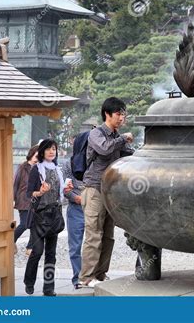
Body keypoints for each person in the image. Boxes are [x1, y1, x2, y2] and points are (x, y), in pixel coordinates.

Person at [79, 97, 134, 288]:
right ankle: (86, 278)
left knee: (108, 235)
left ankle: (100, 275)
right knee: (94, 234)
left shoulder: (117, 136)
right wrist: (123, 138)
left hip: (110, 191)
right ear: (107, 114)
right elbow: (104, 150)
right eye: (118, 114)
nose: (122, 118)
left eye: (123, 114)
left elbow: (128, 154)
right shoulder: (96, 134)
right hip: (94, 189)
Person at [24, 139, 72, 296]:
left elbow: (59, 193)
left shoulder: (58, 170)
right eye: (49, 149)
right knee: (37, 252)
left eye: (54, 149)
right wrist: (41, 192)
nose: (52, 151)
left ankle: (48, 288)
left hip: (55, 215)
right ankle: (29, 281)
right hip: (39, 215)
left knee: (51, 254)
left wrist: (66, 189)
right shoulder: (36, 170)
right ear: (42, 151)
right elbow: (28, 193)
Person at [62, 153, 85, 290]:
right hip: (76, 208)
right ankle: (78, 277)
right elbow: (66, 189)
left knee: (94, 243)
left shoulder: (94, 160)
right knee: (75, 246)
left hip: (93, 207)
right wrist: (78, 199)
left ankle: (93, 275)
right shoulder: (68, 164)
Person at [13, 145, 39, 255]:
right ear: (31, 154)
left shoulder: (40, 168)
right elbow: (16, 183)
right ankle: (11, 240)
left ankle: (30, 248)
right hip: (23, 200)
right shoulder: (22, 167)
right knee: (24, 224)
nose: (37, 158)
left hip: (35, 201)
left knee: (35, 225)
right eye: (36, 155)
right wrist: (13, 198)